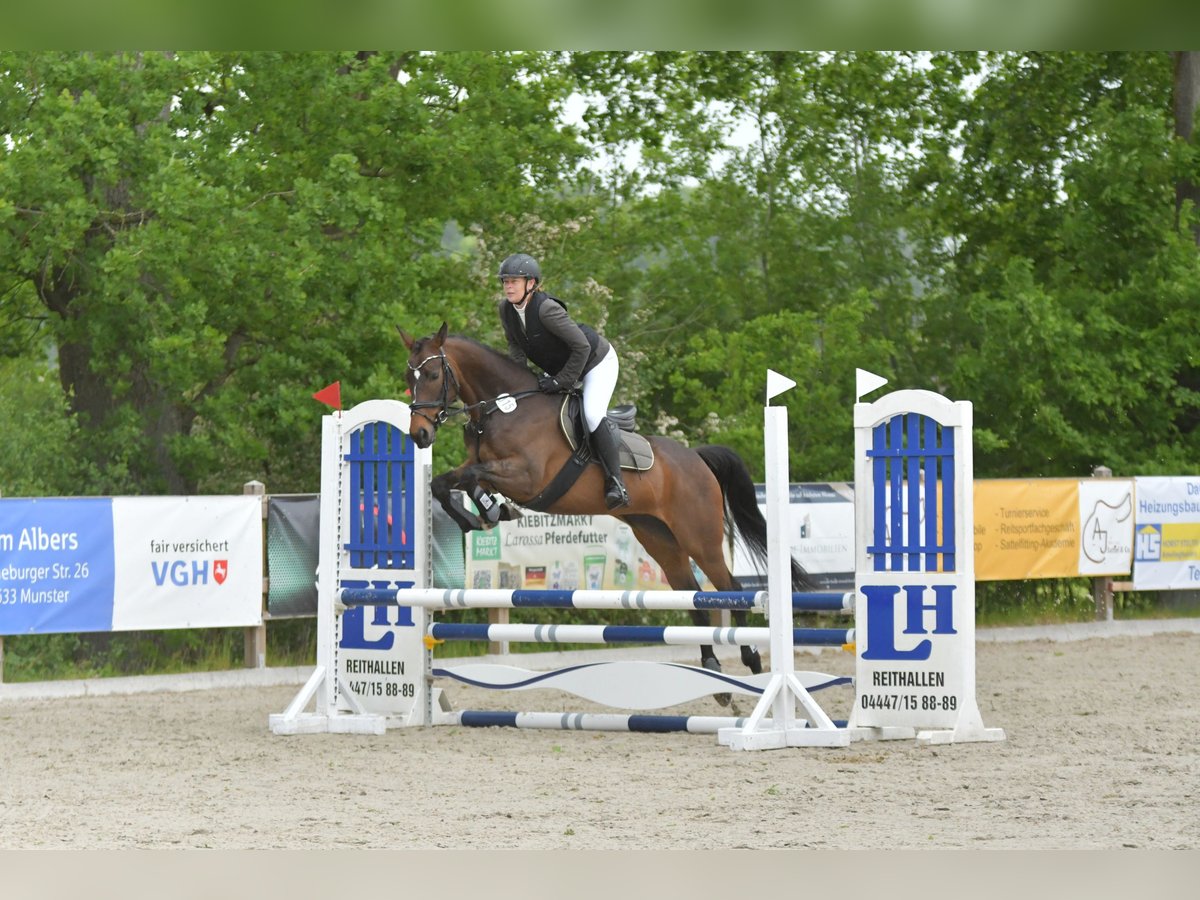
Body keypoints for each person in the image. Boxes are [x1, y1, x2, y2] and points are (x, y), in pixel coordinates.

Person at [496, 252, 630, 510]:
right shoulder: (507, 310)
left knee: (592, 415)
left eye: (514, 281)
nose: (508, 286)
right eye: (505, 281)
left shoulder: (546, 309)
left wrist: (560, 382)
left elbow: (581, 347)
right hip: (564, 367)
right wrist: (518, 382)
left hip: (595, 362)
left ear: (531, 284)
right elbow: (516, 347)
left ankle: (617, 483)